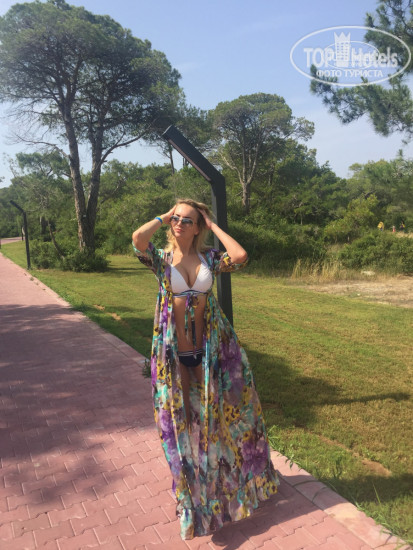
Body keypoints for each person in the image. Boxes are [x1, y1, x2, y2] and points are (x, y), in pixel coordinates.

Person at [132, 199, 279, 540]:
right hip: (174, 355)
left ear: (198, 226)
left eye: (188, 220)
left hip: (213, 352)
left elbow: (240, 256)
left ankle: (228, 493)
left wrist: (213, 226)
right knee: (181, 425)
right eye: (176, 218)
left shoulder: (210, 258)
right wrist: (163, 216)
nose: (180, 223)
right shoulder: (161, 259)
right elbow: (138, 239)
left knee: (222, 421)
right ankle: (193, 504)